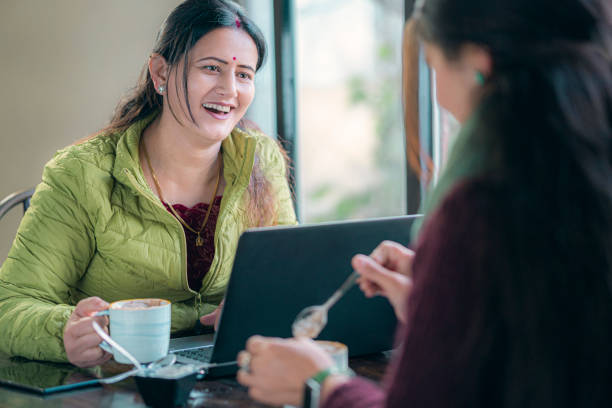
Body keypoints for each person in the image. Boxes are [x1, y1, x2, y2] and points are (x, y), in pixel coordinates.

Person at [237, 0, 612, 406]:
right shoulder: (581, 182)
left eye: (433, 65)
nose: (438, 95)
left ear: (477, 63)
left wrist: (321, 384)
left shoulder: (477, 211)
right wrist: (437, 298)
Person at [0, 0, 296, 368]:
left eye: (244, 75)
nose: (229, 90)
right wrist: (64, 332)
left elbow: (288, 278)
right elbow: (11, 306)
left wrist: (260, 309)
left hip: (228, 372)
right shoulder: (82, 172)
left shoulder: (261, 159)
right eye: (211, 68)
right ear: (160, 72)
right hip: (114, 380)